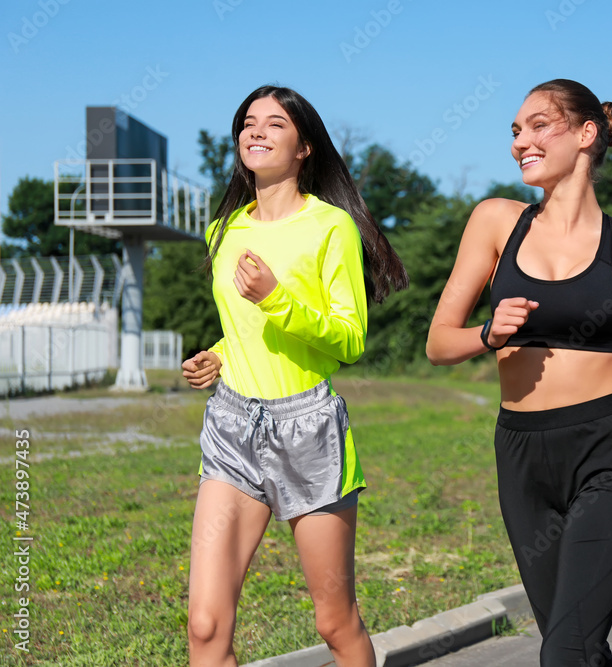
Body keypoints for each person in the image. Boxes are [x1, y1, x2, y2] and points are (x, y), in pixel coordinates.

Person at [426, 79, 612, 667]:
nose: (520, 141)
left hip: (610, 452)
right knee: (577, 653)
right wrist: (487, 333)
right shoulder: (496, 222)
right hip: (522, 457)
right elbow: (437, 342)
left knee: (566, 653)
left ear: (585, 134)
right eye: (516, 131)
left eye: (537, 126)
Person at [180, 85, 406, 667]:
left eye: (274, 124)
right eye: (248, 122)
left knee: (335, 623)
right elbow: (244, 329)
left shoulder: (329, 227)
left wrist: (278, 298)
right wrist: (220, 353)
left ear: (304, 146)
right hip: (232, 426)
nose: (255, 132)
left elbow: (349, 340)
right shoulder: (224, 230)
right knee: (205, 627)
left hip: (308, 429)